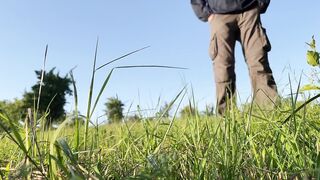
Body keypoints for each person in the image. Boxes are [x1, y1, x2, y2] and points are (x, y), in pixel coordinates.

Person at [191, 0, 278, 115]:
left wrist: (261, 3)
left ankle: (270, 116)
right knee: (223, 70)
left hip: (249, 10)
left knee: (258, 64)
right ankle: (226, 122)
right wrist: (206, 13)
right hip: (219, 14)